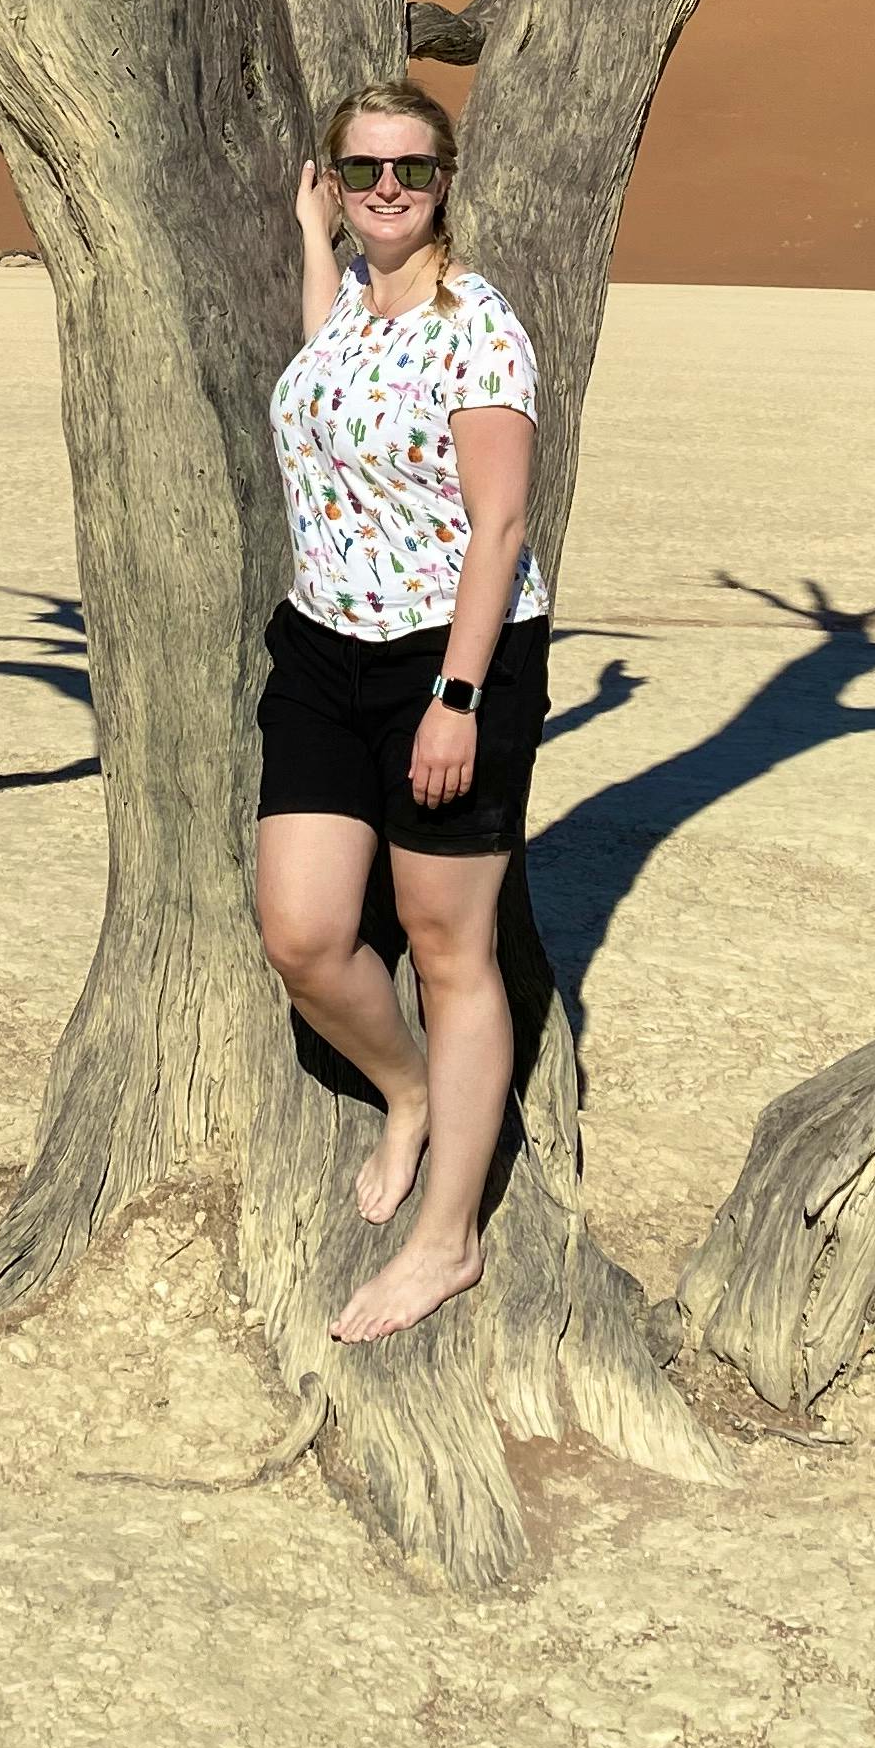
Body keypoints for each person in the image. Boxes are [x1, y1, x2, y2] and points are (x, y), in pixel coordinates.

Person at [255, 78, 552, 1342]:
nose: (388, 188)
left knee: (448, 950)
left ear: (447, 182)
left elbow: (502, 524)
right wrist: (307, 234)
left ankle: (449, 1241)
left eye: (412, 171)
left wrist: (456, 699)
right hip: (323, 653)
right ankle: (411, 1090)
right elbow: (323, 349)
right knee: (305, 936)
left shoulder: (478, 328)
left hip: (451, 658)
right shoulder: (351, 319)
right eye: (363, 167)